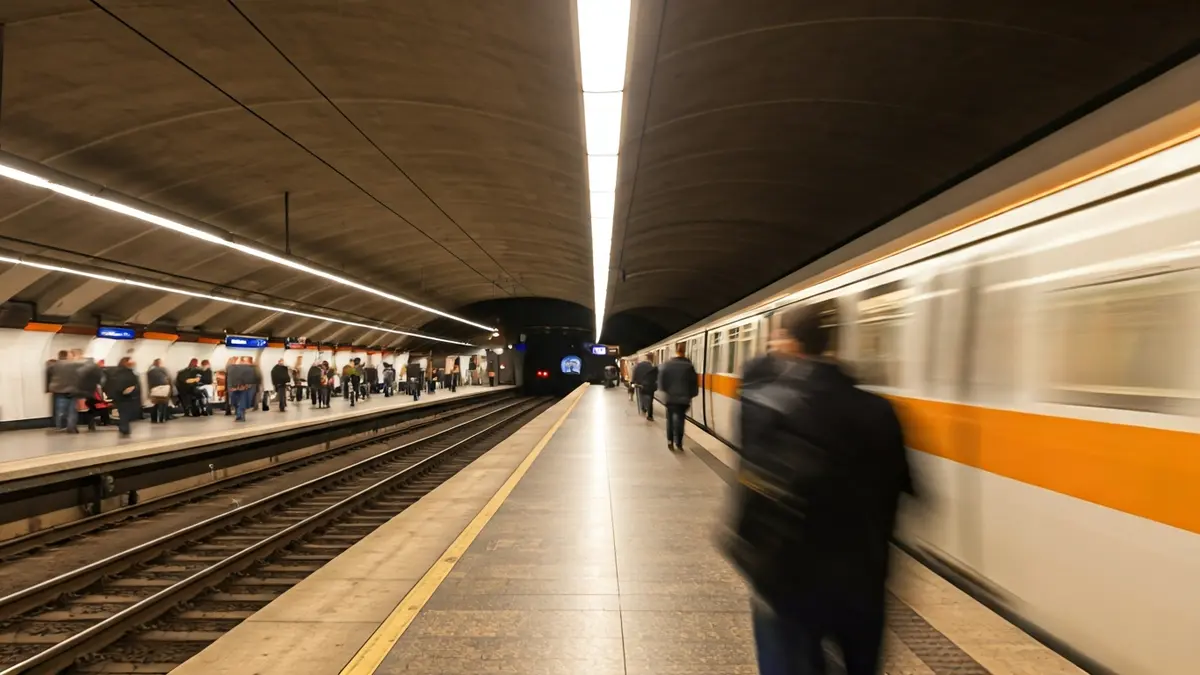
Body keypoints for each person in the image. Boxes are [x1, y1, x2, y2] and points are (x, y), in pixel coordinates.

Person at [721, 305, 912, 675]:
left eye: (777, 337)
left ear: (791, 344)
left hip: (787, 580)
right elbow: (902, 489)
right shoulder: (880, 410)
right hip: (863, 580)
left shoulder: (772, 408)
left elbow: (753, 492)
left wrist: (746, 555)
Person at [658, 345, 699, 452]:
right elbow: (694, 383)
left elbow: (662, 383)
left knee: (670, 420)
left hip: (671, 398)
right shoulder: (689, 366)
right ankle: (679, 443)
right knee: (681, 420)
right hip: (684, 399)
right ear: (684, 352)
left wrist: (667, 392)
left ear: (676, 352)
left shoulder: (668, 365)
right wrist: (691, 394)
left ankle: (670, 441)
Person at [105, 357, 141, 437]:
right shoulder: (127, 373)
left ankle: (123, 427)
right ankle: (124, 428)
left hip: (120, 396)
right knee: (125, 413)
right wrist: (127, 389)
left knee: (123, 412)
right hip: (126, 396)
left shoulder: (116, 372)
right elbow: (131, 383)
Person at [225, 357, 256, 422]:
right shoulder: (236, 368)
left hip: (241, 387)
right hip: (240, 387)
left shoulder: (233, 368)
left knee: (240, 402)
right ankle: (240, 416)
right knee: (240, 402)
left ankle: (240, 417)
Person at [632, 354, 658, 421]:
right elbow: (655, 378)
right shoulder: (652, 367)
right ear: (651, 359)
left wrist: (633, 382)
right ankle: (650, 416)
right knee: (650, 400)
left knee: (641, 396)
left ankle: (643, 408)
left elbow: (634, 374)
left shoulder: (638, 366)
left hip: (640, 384)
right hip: (649, 385)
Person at [146, 358, 172, 423]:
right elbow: (169, 378)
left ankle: (154, 418)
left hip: (154, 388)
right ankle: (163, 418)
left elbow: (148, 381)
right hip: (164, 387)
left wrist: (149, 390)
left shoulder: (149, 371)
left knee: (155, 404)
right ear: (160, 363)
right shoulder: (163, 369)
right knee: (164, 403)